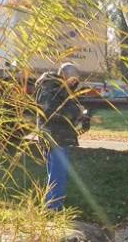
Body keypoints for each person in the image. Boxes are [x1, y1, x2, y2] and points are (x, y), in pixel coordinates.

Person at [35, 62, 90, 210]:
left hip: (58, 136)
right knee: (58, 174)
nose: (75, 83)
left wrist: (81, 117)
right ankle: (53, 207)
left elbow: (64, 109)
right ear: (64, 75)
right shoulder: (49, 88)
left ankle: (51, 205)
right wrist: (76, 113)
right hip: (53, 137)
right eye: (74, 79)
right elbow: (50, 113)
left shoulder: (60, 89)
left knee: (55, 173)